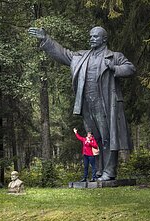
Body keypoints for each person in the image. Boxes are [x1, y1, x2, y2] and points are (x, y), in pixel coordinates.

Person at [28, 26, 135, 181]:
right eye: (90, 36)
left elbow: (130, 69)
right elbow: (62, 54)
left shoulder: (114, 56)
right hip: (87, 103)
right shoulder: (81, 56)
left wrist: (114, 68)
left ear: (104, 39)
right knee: (93, 138)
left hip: (106, 102)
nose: (91, 39)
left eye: (95, 37)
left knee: (108, 137)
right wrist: (46, 39)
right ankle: (98, 171)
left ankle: (109, 171)